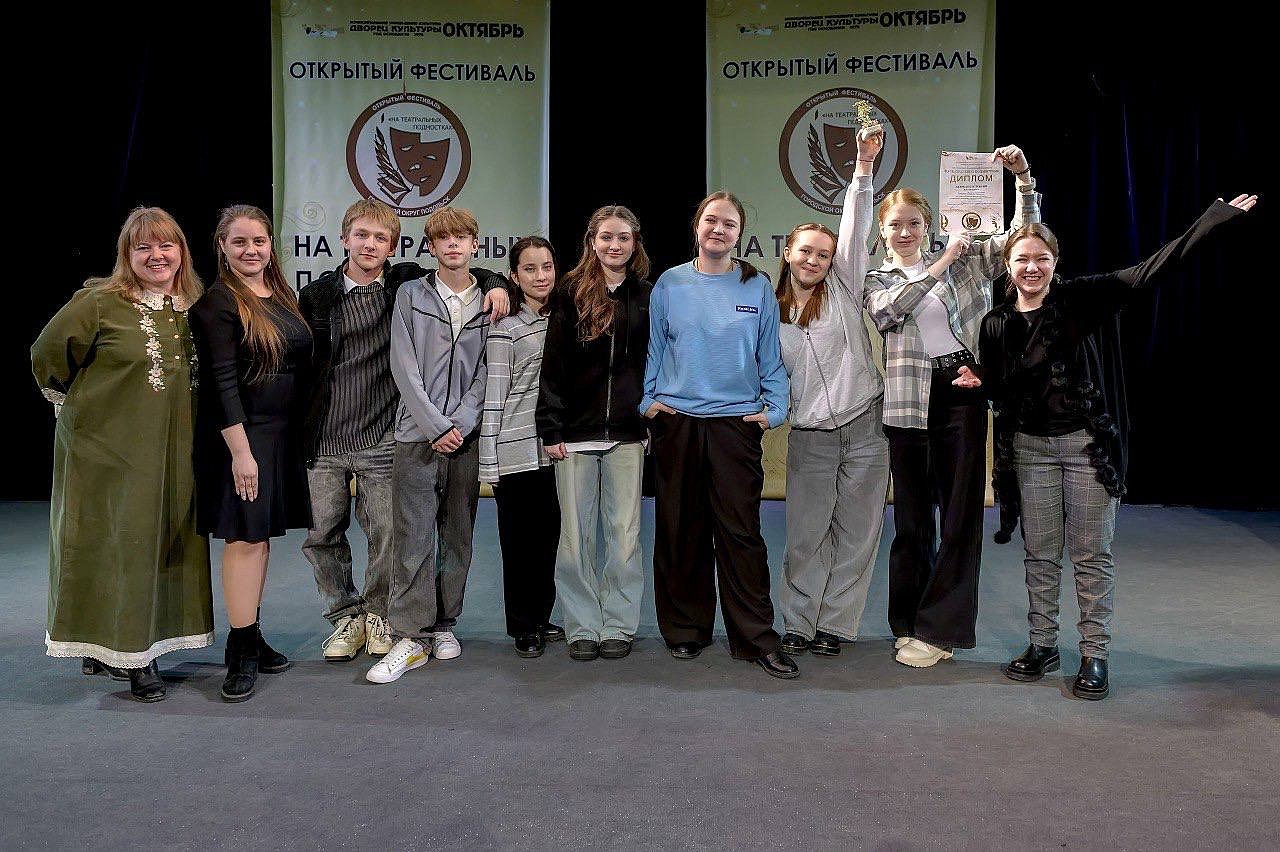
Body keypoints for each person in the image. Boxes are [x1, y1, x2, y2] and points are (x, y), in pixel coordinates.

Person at [977, 193, 1257, 700]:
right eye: (1022, 259)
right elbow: (1002, 389)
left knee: (1091, 554)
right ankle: (1042, 645)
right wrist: (978, 381)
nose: (1032, 267)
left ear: (1055, 262)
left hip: (1088, 449)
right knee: (1040, 555)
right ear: (1008, 266)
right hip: (1031, 451)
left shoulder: (1083, 300)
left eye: (1042, 258)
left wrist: (1214, 219)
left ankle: (1094, 654)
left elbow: (1151, 269)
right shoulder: (995, 322)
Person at [863, 146, 1039, 668]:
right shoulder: (878, 279)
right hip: (906, 403)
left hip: (960, 391)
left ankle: (940, 632)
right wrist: (940, 261)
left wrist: (1024, 182)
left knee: (959, 515)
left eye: (914, 223)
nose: (906, 232)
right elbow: (891, 312)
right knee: (912, 520)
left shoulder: (965, 257)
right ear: (882, 231)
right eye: (896, 225)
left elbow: (1020, 241)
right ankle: (908, 621)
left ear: (928, 224)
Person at [32, 207, 212, 702]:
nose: (157, 256)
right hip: (107, 451)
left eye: (166, 245)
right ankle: (134, 657)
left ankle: (105, 646)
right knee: (117, 544)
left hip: (175, 452)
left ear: (182, 252)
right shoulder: (100, 301)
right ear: (126, 255)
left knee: (164, 543)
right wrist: (77, 408)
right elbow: (47, 354)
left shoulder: (193, 305)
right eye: (143, 247)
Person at [642, 191, 795, 678]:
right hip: (678, 422)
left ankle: (755, 638)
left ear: (739, 234)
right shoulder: (670, 284)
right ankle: (686, 630)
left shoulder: (756, 285)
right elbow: (654, 349)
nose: (719, 229)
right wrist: (648, 401)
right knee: (679, 529)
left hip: (736, 425)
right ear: (697, 226)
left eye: (729, 224)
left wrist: (776, 409)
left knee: (741, 534)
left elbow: (769, 354)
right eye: (711, 220)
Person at [368, 206, 510, 684]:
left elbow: (490, 368)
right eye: (443, 238)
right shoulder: (411, 294)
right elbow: (403, 363)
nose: (452, 245)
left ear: (475, 245)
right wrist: (434, 425)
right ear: (430, 247)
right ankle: (412, 635)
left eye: (461, 238)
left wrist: (462, 423)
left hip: (464, 439)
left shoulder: (491, 301)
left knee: (457, 535)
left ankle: (445, 623)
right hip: (416, 435)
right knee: (412, 537)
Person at [190, 204, 313, 702]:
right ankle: (239, 649)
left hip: (280, 436)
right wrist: (242, 453)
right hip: (242, 438)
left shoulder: (280, 294)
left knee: (260, 538)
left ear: (270, 246)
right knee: (243, 538)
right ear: (222, 247)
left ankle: (252, 633)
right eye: (239, 242)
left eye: (258, 241)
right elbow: (222, 384)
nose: (251, 250)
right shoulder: (218, 303)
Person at [775, 126, 889, 658]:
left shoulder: (844, 286)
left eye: (823, 254)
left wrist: (863, 168)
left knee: (857, 534)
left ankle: (836, 625)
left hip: (865, 427)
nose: (815, 260)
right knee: (805, 537)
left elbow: (856, 223)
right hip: (811, 437)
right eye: (806, 251)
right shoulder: (767, 310)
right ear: (788, 253)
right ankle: (798, 623)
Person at [537, 207, 653, 662]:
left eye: (623, 237)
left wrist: (647, 420)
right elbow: (553, 365)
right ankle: (582, 625)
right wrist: (550, 427)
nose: (614, 245)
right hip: (573, 435)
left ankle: (618, 625)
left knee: (624, 535)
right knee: (575, 537)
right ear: (592, 241)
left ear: (634, 243)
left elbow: (652, 362)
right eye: (606, 237)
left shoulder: (646, 295)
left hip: (627, 434)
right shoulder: (569, 292)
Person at [481, 236, 566, 658]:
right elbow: (494, 397)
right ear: (514, 276)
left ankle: (542, 616)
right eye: (529, 269)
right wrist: (489, 462)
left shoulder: (563, 320)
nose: (540, 276)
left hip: (553, 452)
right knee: (519, 546)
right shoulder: (505, 329)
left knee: (549, 541)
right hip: (514, 452)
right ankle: (523, 626)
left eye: (546, 267)